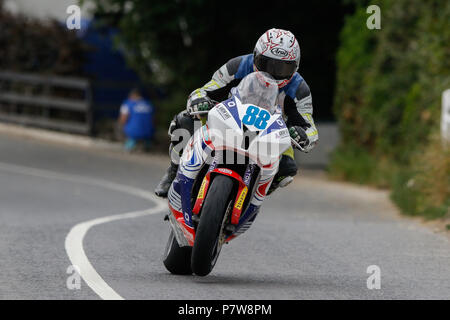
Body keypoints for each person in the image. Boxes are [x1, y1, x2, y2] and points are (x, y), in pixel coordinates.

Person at [155, 28, 318, 197]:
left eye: (282, 68)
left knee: (287, 168)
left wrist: (303, 134)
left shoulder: (299, 89)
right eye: (266, 64)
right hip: (227, 119)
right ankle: (174, 171)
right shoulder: (238, 65)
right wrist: (200, 100)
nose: (272, 73)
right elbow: (206, 89)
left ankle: (257, 190)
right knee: (184, 122)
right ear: (255, 56)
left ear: (295, 67)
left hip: (269, 133)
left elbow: (310, 127)